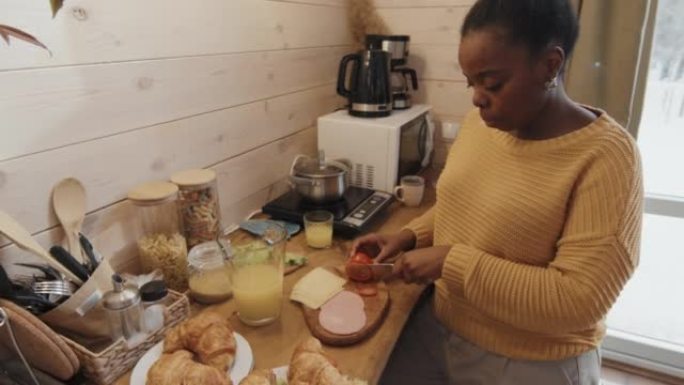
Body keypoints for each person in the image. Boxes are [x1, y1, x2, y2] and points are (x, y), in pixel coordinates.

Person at [350, 0, 643, 384]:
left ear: (550, 65)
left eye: (492, 83)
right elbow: (462, 203)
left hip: (531, 361)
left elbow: (579, 301)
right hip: (440, 326)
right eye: (471, 82)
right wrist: (408, 236)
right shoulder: (481, 124)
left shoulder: (607, 158)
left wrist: (447, 262)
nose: (476, 98)